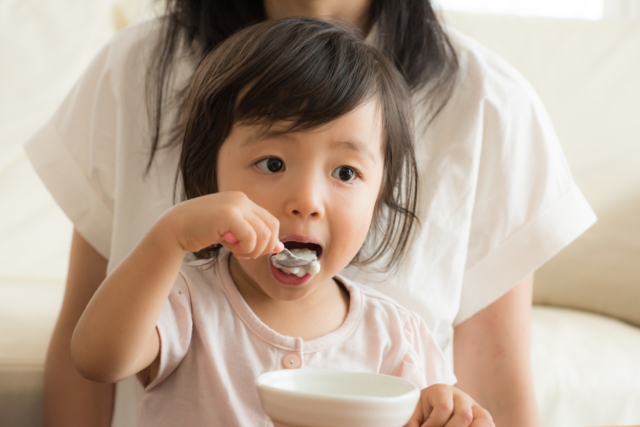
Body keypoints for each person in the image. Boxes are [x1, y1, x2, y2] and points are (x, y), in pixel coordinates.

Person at [24, 1, 596, 426]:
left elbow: (478, 396)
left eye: (345, 174)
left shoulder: (397, 334)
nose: (306, 200)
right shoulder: (186, 302)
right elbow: (95, 357)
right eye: (271, 162)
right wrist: (167, 239)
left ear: (382, 199)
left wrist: (451, 413)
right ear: (206, 179)